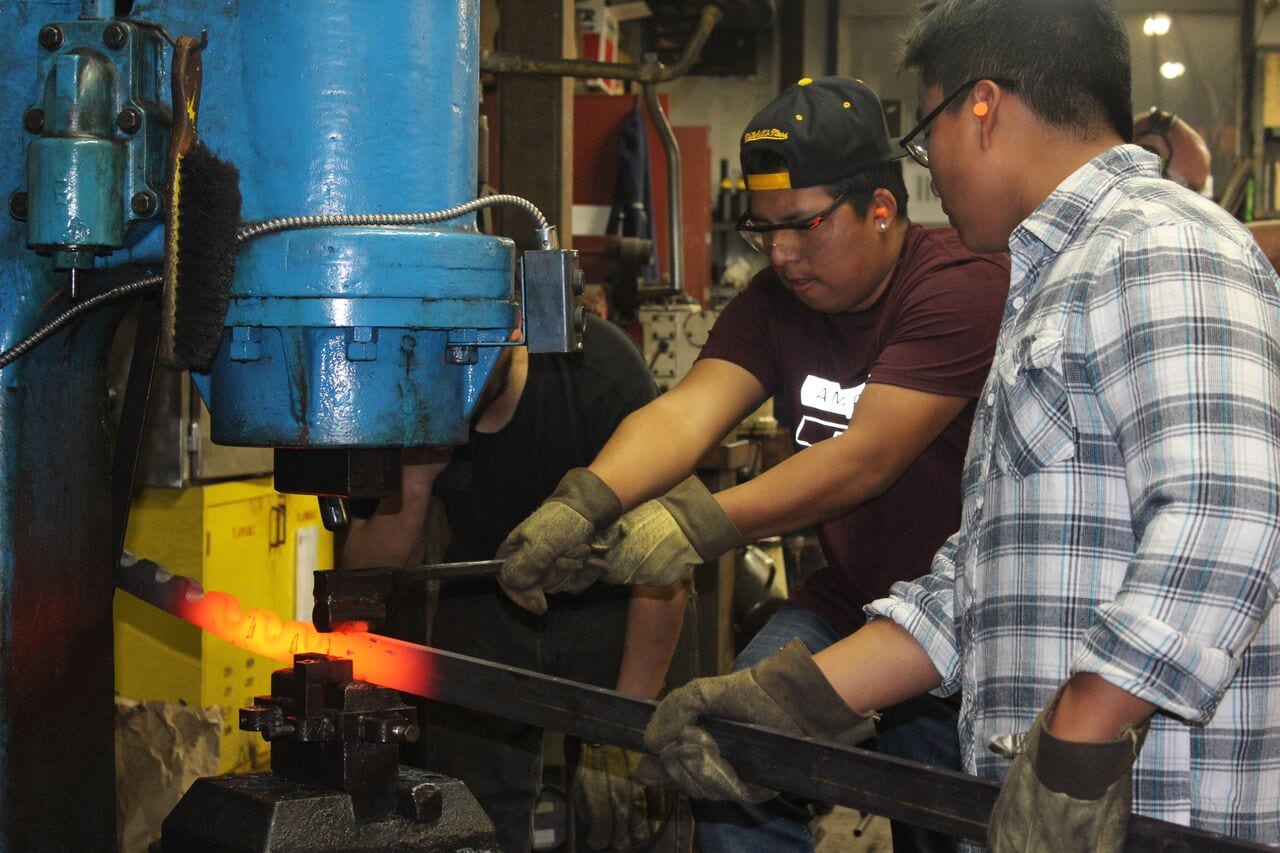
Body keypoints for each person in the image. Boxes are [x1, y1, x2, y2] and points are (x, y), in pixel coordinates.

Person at [633, 1, 1280, 850]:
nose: (927, 172)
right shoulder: (1050, 282)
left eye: (922, 135)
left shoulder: (1157, 245)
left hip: (1159, 810)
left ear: (981, 108)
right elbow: (982, 583)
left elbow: (1225, 515)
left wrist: (1076, 750)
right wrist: (791, 700)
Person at [498, 76, 1010, 852]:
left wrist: (694, 524)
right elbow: (685, 412)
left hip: (961, 622)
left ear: (881, 206)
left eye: (803, 225)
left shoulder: (960, 284)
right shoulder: (777, 301)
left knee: (946, 828)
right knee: (727, 754)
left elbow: (865, 459)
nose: (781, 254)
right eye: (762, 230)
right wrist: (586, 500)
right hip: (851, 600)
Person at [342, 314, 693, 853]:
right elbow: (365, 581)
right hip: (482, 595)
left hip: (615, 600)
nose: (453, 372)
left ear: (514, 324)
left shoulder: (597, 373)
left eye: (467, 352)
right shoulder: (404, 390)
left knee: (625, 822)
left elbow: (666, 565)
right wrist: (414, 482)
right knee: (468, 817)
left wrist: (629, 723)